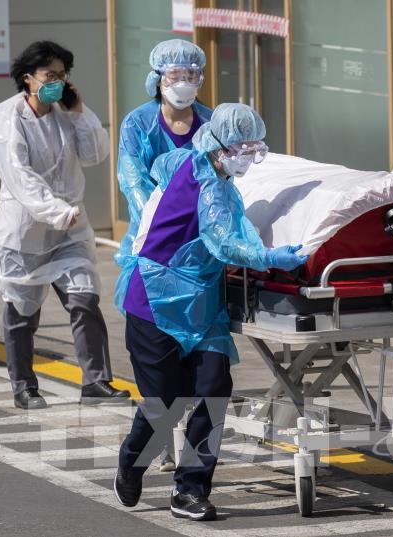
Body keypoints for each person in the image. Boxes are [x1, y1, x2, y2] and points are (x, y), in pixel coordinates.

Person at [113, 103, 308, 521]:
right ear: (218, 146)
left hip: (202, 303)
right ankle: (132, 462)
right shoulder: (208, 185)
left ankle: (190, 489)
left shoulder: (199, 167)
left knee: (214, 390)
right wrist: (269, 256)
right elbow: (223, 241)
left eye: (255, 149)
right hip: (156, 299)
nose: (248, 157)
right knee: (165, 402)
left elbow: (163, 167)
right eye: (242, 148)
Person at [0, 41, 130, 409]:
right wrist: (54, 210)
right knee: (21, 311)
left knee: (84, 298)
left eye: (62, 76)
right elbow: (18, 175)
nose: (57, 83)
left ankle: (96, 381)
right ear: (28, 78)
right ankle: (24, 386)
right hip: (24, 232)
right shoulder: (8, 118)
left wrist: (80, 113)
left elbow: (95, 153)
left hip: (68, 230)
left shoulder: (65, 113)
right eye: (49, 75)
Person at [115, 38, 213, 473]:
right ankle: (149, 446)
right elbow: (133, 180)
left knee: (209, 377)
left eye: (192, 75)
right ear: (157, 78)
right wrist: (161, 224)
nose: (184, 83)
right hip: (154, 252)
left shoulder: (211, 124)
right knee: (163, 379)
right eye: (176, 75)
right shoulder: (139, 123)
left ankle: (192, 477)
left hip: (203, 255)